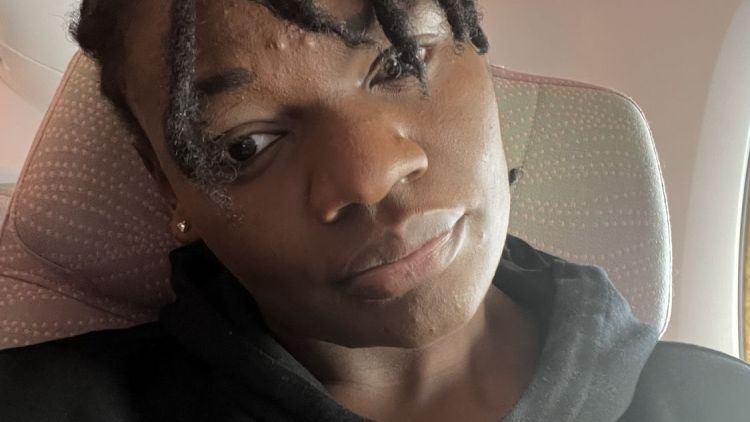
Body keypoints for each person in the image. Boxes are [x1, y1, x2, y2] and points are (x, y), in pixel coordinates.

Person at [0, 0, 749, 421]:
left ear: (476, 50)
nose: (369, 176)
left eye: (401, 60)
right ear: (168, 187)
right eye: (245, 144)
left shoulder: (717, 402)